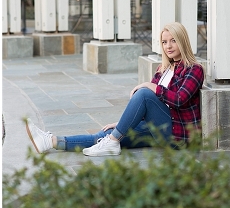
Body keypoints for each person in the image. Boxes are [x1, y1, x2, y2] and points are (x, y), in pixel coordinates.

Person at [25, 22, 204, 157]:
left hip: (177, 136)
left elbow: (180, 99)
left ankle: (111, 141)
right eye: (164, 42)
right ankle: (51, 141)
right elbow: (149, 109)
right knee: (107, 135)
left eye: (173, 41)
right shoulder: (163, 70)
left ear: (183, 41)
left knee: (143, 94)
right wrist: (122, 124)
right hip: (157, 129)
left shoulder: (194, 69)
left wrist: (151, 86)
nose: (168, 46)